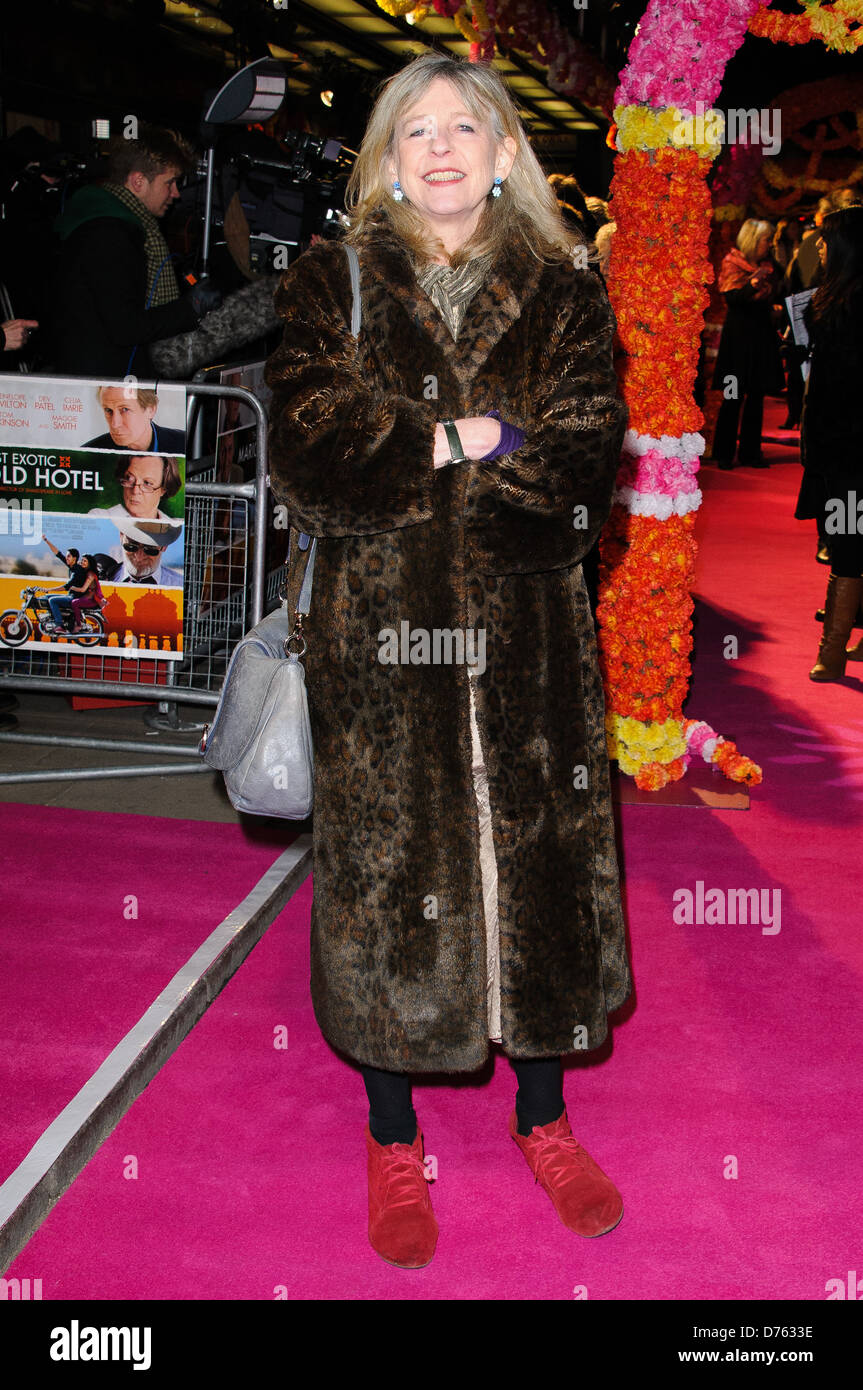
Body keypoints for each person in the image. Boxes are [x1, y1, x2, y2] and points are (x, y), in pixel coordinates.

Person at [265, 51, 631, 1270]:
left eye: (461, 128)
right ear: (383, 159)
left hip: (531, 644)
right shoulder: (332, 278)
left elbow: (577, 468)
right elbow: (312, 451)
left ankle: (543, 1116)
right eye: (412, 130)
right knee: (387, 871)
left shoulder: (564, 289)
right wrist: (468, 437)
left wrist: (419, 468)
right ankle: (391, 1135)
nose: (438, 149)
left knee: (534, 863)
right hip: (377, 645)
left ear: (504, 152)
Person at [47, 125, 219, 377]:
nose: (176, 193)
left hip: (103, 376)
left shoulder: (115, 224)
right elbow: (125, 326)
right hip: (105, 383)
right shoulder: (109, 234)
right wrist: (189, 308)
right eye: (169, 183)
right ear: (138, 181)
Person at [795, 206, 863, 680]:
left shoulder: (847, 303)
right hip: (836, 444)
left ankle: (833, 648)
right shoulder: (827, 297)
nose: (818, 245)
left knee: (849, 539)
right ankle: (838, 645)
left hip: (852, 444)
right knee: (846, 535)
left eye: (825, 239)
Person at [711, 218, 785, 469]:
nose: (769, 244)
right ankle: (724, 453)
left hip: (760, 340)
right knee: (732, 397)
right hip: (738, 343)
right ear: (753, 240)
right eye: (766, 239)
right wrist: (752, 285)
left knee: (756, 397)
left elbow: (780, 288)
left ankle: (750, 453)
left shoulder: (768, 265)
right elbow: (732, 299)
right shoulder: (733, 263)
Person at [84, 385, 186, 453]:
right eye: (108, 410)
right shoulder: (89, 452)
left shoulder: (184, 444)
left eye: (125, 409)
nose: (115, 424)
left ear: (151, 409)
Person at [88, 454, 182, 521]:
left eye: (147, 483)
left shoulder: (176, 526)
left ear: (163, 489)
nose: (135, 491)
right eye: (129, 478)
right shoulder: (100, 517)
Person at [109, 519, 183, 586]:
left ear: (164, 546)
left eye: (150, 550)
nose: (139, 557)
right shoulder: (105, 579)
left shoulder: (180, 586)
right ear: (121, 536)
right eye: (131, 546)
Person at [43, 544, 87, 630]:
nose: (66, 558)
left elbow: (66, 587)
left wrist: (49, 589)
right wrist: (46, 541)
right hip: (70, 595)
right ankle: (51, 619)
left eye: (68, 556)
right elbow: (58, 554)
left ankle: (59, 625)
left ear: (74, 558)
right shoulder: (72, 566)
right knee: (46, 597)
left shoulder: (77, 571)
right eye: (66, 556)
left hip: (75, 598)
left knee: (52, 600)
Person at [68, 555, 105, 631]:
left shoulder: (90, 575)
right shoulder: (85, 572)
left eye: (85, 561)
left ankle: (79, 625)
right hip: (86, 598)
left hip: (92, 600)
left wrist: (71, 587)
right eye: (82, 560)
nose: (82, 562)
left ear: (89, 563)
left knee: (74, 603)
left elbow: (82, 589)